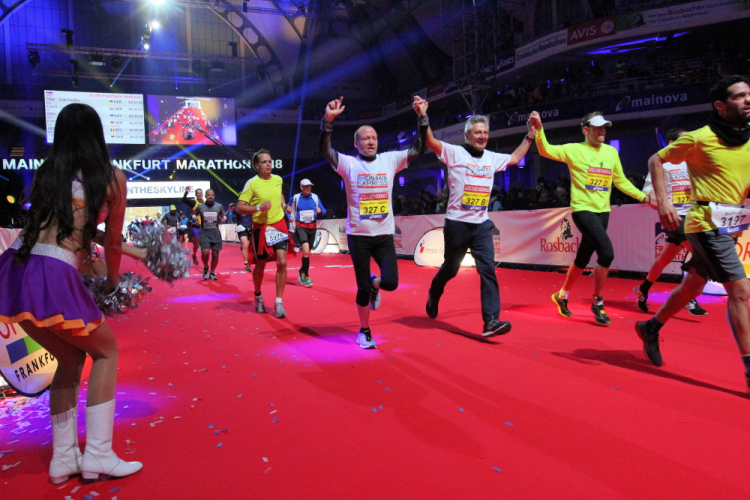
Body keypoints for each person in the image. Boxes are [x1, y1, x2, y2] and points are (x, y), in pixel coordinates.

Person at [0, 103, 142, 484]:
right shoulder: (111, 177)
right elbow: (113, 242)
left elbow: (60, 228)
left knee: (68, 355)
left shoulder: (49, 172)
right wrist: (112, 281)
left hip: (17, 268)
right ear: (98, 134)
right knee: (106, 351)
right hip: (53, 271)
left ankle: (63, 458)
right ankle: (99, 454)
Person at [636, 76, 750, 383]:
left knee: (694, 285)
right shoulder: (700, 138)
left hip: (732, 223)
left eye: (749, 94)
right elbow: (656, 159)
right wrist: (663, 202)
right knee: (741, 292)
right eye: (740, 96)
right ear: (720, 105)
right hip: (704, 223)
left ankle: (650, 327)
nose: (748, 99)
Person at [421, 98, 536, 336]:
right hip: (457, 223)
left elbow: (515, 158)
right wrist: (423, 116)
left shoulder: (491, 157)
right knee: (451, 268)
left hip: (482, 224)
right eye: (477, 133)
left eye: (485, 133)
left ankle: (491, 321)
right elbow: (430, 141)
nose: (482, 136)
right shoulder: (455, 153)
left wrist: (530, 135)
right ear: (467, 135)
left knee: (488, 269)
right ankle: (435, 290)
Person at [320, 96, 427, 349]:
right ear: (356, 144)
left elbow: (418, 149)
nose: (371, 141)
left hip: (383, 235)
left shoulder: (389, 160)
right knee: (361, 288)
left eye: (374, 138)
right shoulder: (348, 163)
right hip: (358, 236)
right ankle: (365, 330)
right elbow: (326, 150)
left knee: (391, 282)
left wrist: (422, 117)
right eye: (365, 138)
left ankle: (374, 285)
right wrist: (328, 121)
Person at [530, 110, 649, 324]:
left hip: (603, 211)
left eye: (604, 127)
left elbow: (620, 181)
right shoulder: (574, 150)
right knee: (606, 253)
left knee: (583, 258)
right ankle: (597, 302)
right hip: (582, 210)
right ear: (586, 130)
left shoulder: (611, 152)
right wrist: (539, 129)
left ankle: (562, 295)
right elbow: (545, 150)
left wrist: (643, 197)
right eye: (598, 127)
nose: (603, 130)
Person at [634, 128, 707, 315]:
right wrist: (652, 195)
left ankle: (643, 289)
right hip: (674, 217)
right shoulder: (662, 163)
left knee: (664, 260)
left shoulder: (693, 163)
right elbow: (648, 189)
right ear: (672, 144)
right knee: (701, 254)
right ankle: (688, 297)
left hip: (693, 217)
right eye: (685, 140)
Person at [236, 150, 293, 318]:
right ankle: (258, 295)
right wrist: (258, 208)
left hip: (278, 224)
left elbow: (280, 195)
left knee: (282, 262)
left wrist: (283, 206)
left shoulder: (278, 179)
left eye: (270, 161)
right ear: (257, 166)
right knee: (260, 264)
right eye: (264, 162)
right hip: (261, 228)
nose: (268, 164)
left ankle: (279, 302)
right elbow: (240, 207)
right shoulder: (251, 184)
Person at [291, 178, 327, 287]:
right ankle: (307, 276)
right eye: (306, 186)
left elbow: (324, 211)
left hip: (312, 228)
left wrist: (321, 212)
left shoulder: (315, 197)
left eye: (310, 186)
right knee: (306, 251)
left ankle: (302, 270)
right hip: (300, 227)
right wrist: (289, 216)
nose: (308, 188)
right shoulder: (296, 198)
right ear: (301, 187)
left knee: (307, 253)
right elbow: (287, 208)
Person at [195, 189, 226, 280]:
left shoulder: (219, 206)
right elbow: (193, 214)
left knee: (215, 254)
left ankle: (212, 272)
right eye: (208, 195)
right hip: (205, 232)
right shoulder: (200, 207)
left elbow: (223, 214)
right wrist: (194, 219)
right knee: (205, 252)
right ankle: (206, 266)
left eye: (212, 195)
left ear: (214, 196)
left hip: (215, 232)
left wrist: (224, 218)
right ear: (205, 196)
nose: (210, 196)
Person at [182, 186, 205, 265]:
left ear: (202, 194)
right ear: (196, 195)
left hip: (204, 227)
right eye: (198, 193)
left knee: (204, 245)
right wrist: (186, 192)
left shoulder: (206, 203)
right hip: (196, 226)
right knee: (197, 244)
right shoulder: (194, 203)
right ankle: (194, 255)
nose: (199, 194)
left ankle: (205, 264)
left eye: (200, 193)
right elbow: (184, 200)